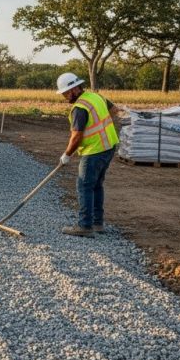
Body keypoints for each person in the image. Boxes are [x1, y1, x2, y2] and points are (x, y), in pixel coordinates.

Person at [57, 72, 120, 237]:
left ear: (74, 89)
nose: (65, 97)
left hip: (94, 151)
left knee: (84, 186)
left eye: (65, 93)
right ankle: (98, 223)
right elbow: (114, 110)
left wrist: (67, 155)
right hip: (109, 146)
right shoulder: (95, 97)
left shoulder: (79, 108)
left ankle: (85, 226)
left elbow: (76, 136)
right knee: (96, 185)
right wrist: (101, 125)